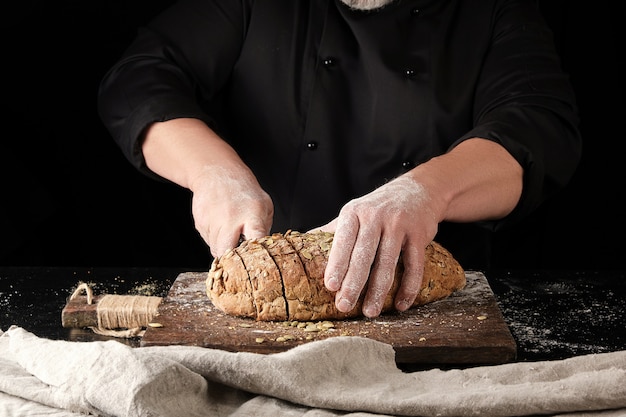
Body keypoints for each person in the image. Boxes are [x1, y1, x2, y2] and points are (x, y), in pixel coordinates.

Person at [98, 0, 581, 318]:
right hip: (264, 294)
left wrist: (426, 191)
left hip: (432, 313)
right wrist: (211, 171)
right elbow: (138, 80)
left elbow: (538, 128)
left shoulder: (493, 10)